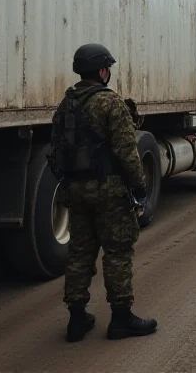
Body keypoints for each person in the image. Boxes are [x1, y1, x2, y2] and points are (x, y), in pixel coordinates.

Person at [51, 44, 157, 341]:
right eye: (107, 68)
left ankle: (76, 319)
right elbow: (127, 151)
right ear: (102, 70)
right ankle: (121, 319)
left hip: (75, 188)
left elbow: (56, 148)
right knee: (117, 252)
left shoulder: (67, 103)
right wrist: (139, 187)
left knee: (80, 252)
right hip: (109, 190)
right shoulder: (110, 103)